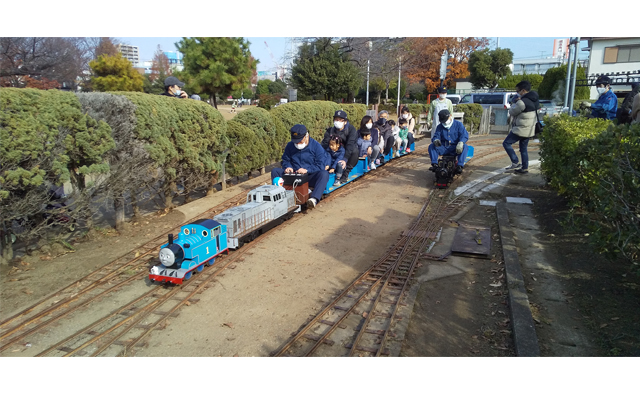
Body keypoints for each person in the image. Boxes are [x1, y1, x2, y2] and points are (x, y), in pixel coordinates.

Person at [271, 124, 330, 209]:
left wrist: (307, 170)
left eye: (300, 141)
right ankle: (279, 196)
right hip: (294, 175)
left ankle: (314, 199)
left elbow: (320, 165)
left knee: (324, 174)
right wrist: (288, 167)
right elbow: (285, 159)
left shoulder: (316, 146)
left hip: (309, 176)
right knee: (275, 171)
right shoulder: (290, 145)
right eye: (295, 141)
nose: (298, 144)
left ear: (306, 136)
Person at [503, 80, 540, 175]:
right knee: (523, 149)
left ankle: (515, 162)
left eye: (518, 90)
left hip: (520, 129)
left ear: (523, 90)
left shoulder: (522, 102)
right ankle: (524, 168)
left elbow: (512, 112)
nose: (517, 92)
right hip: (529, 129)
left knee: (506, 143)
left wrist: (514, 104)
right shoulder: (535, 100)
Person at [321, 110, 359, 184]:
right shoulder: (330, 130)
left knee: (354, 151)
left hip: (346, 151)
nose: (337, 122)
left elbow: (350, 144)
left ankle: (346, 172)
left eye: (340, 120)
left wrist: (345, 159)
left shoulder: (351, 130)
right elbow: (325, 144)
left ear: (345, 121)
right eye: (336, 119)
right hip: (332, 151)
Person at [428, 109, 469, 175]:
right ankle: (435, 164)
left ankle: (459, 166)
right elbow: (436, 136)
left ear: (450, 116)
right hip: (444, 148)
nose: (444, 123)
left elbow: (464, 135)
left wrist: (461, 142)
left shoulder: (458, 125)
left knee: (465, 147)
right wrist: (436, 140)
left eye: (445, 120)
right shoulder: (440, 127)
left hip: (455, 148)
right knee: (431, 146)